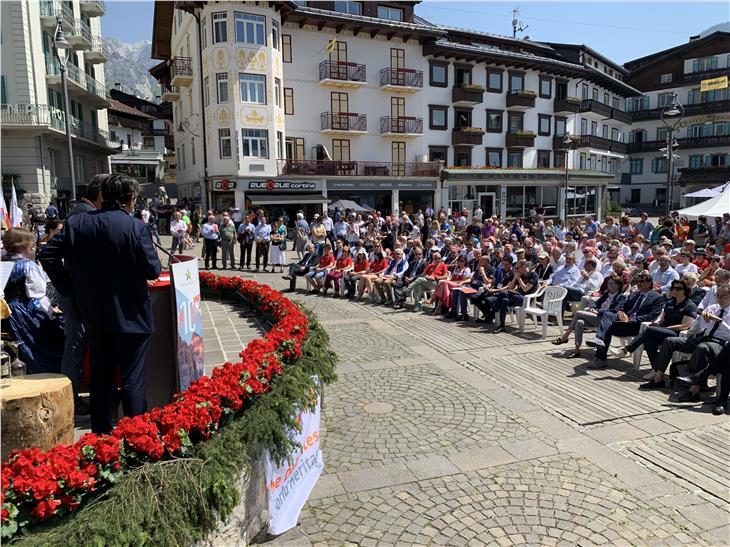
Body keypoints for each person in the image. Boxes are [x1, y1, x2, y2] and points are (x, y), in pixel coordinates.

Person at [40, 174, 162, 434]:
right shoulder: (135, 227)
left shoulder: (77, 223)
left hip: (93, 313)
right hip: (132, 315)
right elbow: (152, 270)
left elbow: (47, 254)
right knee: (132, 380)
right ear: (130, 199)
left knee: (101, 377)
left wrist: (69, 288)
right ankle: (136, 436)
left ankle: (101, 435)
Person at [640, 285, 730, 401]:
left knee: (702, 348)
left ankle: (694, 390)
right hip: (703, 338)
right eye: (718, 295)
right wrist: (700, 320)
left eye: (724, 296)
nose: (720, 299)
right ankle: (658, 378)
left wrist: (720, 321)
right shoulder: (713, 308)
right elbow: (695, 328)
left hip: (720, 343)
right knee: (670, 341)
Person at [3, 228, 64, 374]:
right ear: (24, 245)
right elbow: (37, 294)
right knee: (52, 334)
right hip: (23, 310)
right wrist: (50, 312)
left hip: (5, 309)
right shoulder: (28, 266)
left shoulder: (3, 263)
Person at [609, 279, 697, 367]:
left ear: (686, 290)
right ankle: (656, 368)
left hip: (677, 334)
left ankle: (626, 350)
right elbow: (662, 321)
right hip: (663, 331)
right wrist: (657, 324)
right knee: (650, 341)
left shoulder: (690, 306)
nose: (675, 290)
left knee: (650, 330)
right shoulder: (670, 303)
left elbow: (685, 326)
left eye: (679, 289)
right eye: (673, 288)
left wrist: (664, 328)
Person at [585, 271, 665, 366]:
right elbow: (623, 307)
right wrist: (621, 312)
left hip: (636, 325)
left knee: (607, 328)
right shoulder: (634, 294)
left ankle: (600, 358)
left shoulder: (657, 298)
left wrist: (630, 319)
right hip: (623, 321)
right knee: (607, 314)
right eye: (637, 281)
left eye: (642, 281)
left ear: (649, 283)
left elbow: (652, 316)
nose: (638, 283)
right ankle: (599, 340)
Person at [552, 275, 626, 358]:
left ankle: (565, 336)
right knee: (579, 322)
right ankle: (577, 350)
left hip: (605, 320)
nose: (610, 285)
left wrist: (599, 311)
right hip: (596, 316)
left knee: (579, 313)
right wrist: (593, 308)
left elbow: (616, 310)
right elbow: (596, 303)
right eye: (609, 283)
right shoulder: (606, 294)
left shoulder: (621, 296)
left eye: (613, 284)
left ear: (619, 285)